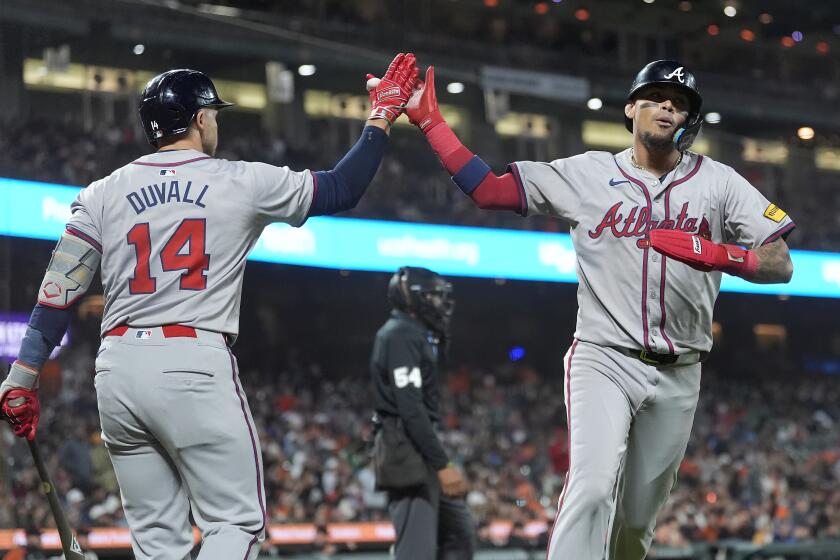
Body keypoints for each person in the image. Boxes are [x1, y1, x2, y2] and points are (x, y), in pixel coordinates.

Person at [0, 54, 418, 560]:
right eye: (213, 114)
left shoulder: (100, 193)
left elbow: (58, 289)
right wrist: (381, 118)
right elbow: (342, 188)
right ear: (199, 118)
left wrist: (22, 376)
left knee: (157, 542)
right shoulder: (237, 179)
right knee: (235, 523)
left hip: (117, 371)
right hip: (192, 361)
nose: (215, 121)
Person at [405, 60, 795, 560]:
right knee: (590, 491)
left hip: (681, 371)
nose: (667, 107)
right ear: (631, 108)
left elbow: (780, 262)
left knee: (635, 522)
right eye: (655, 97)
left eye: (678, 103)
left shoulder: (719, 183)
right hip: (604, 357)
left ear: (688, 120)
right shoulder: (588, 173)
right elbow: (490, 190)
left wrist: (724, 255)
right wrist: (432, 123)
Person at [370, 267, 476, 560]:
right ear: (414, 299)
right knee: (416, 552)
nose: (440, 304)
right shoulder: (399, 335)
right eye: (433, 296)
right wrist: (442, 464)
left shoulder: (413, 334)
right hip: (404, 448)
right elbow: (410, 408)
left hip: (417, 446)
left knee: (459, 533)